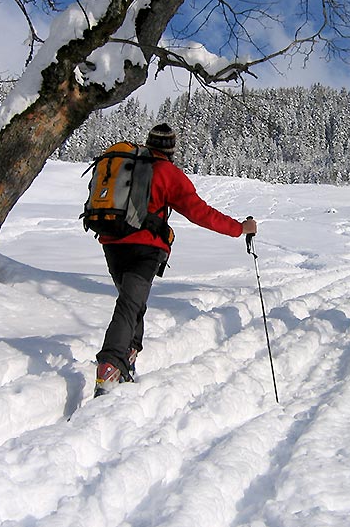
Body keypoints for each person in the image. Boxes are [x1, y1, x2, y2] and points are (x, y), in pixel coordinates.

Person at [94, 123, 258, 397]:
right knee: (129, 306)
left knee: (133, 304)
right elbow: (201, 213)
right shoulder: (169, 174)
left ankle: (127, 362)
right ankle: (110, 368)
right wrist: (239, 229)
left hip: (111, 242)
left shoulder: (127, 165)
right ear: (170, 149)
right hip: (144, 249)